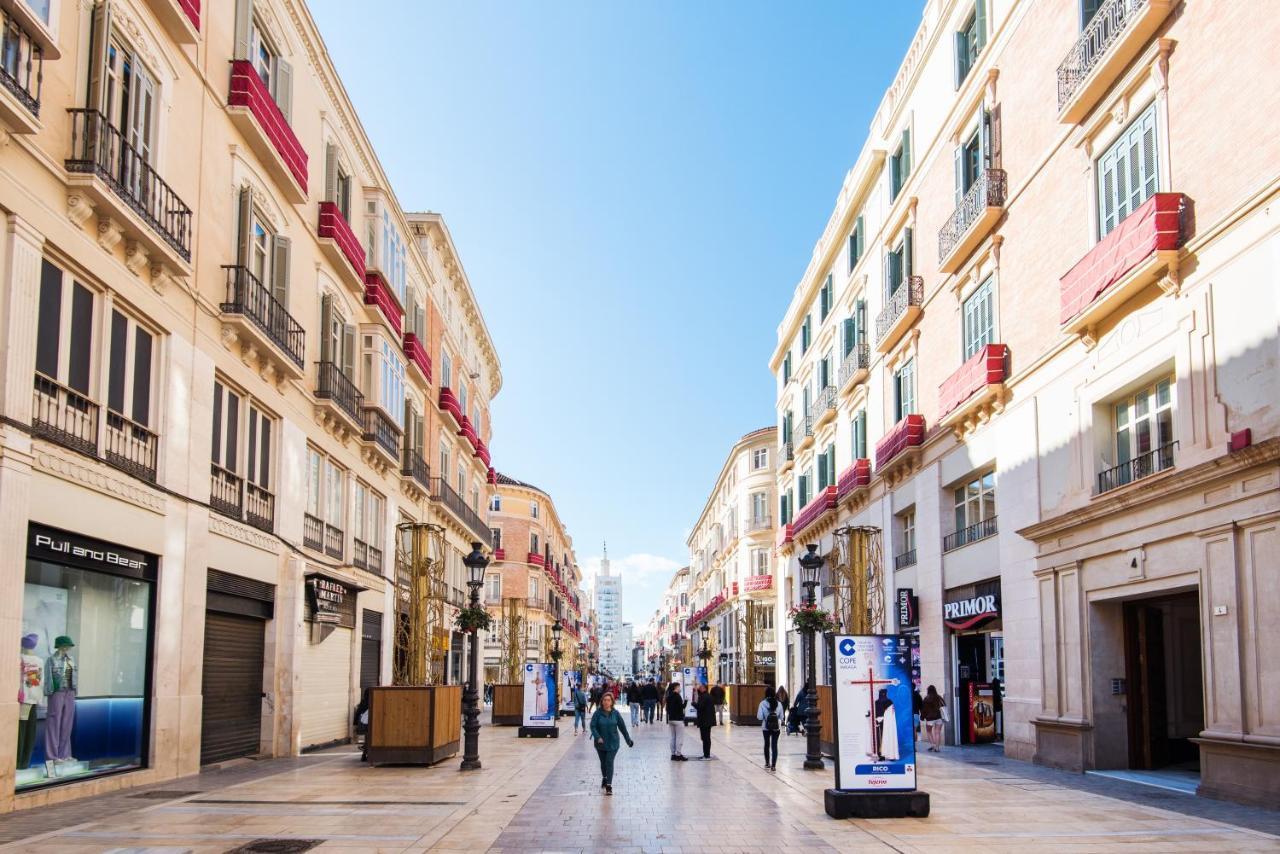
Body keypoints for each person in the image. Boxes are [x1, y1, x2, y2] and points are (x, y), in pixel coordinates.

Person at [589, 691, 633, 796]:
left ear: (612, 702)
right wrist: (597, 737)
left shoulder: (616, 714)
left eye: (608, 700)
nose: (606, 702)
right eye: (604, 700)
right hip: (600, 743)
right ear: (602, 701)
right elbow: (592, 726)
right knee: (603, 763)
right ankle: (604, 777)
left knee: (609, 762)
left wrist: (628, 740)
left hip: (613, 743)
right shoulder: (597, 713)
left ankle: (609, 785)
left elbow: (622, 727)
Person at [757, 685, 782, 770]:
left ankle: (767, 763)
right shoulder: (779, 704)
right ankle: (774, 765)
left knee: (766, 744)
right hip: (776, 727)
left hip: (766, 727)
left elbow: (759, 717)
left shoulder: (762, 703)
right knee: (774, 745)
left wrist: (765, 717)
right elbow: (781, 717)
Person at [873, 688, 900, 761]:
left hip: (881, 722)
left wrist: (877, 720)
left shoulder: (877, 702)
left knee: (880, 738)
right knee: (885, 737)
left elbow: (876, 713)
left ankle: (883, 755)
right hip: (884, 723)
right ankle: (887, 754)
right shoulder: (889, 701)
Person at [665, 682, 687, 760]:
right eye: (679, 687)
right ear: (676, 687)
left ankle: (673, 754)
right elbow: (682, 707)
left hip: (671, 719)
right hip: (678, 720)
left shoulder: (669, 696)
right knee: (679, 737)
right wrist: (686, 701)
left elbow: (667, 709)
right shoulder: (678, 696)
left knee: (673, 737)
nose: (680, 689)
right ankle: (678, 754)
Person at [921, 684, 946, 753]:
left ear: (928, 691)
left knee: (929, 731)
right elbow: (944, 705)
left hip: (930, 719)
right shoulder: (939, 697)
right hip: (939, 717)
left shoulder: (926, 698)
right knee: (937, 732)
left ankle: (933, 745)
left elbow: (924, 710)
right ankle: (937, 748)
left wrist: (922, 717)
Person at [693, 684, 715, 759]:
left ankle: (707, 755)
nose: (699, 688)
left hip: (705, 720)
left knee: (705, 738)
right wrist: (695, 690)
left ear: (703, 688)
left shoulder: (704, 697)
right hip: (706, 720)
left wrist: (694, 704)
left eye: (700, 687)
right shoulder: (706, 695)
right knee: (705, 738)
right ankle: (706, 754)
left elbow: (700, 707)